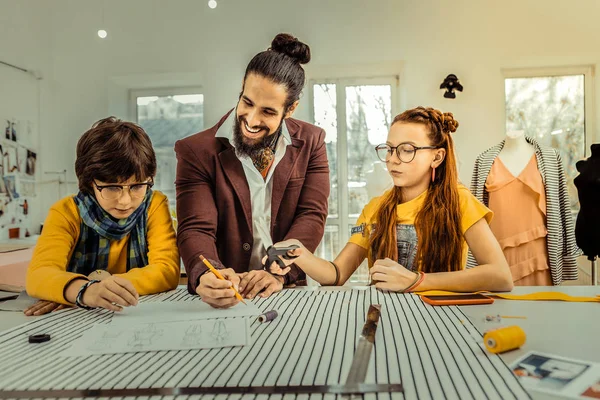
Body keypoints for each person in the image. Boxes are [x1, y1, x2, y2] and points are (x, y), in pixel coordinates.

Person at [268, 107, 514, 293]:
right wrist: (299, 252)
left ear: (437, 157)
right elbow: (337, 273)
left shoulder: (459, 202)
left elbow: (501, 277)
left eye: (407, 150)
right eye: (389, 149)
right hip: (384, 319)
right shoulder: (375, 209)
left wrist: (416, 281)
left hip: (443, 320)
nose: (393, 159)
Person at [175, 33, 329, 308]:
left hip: (288, 290)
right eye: (247, 102)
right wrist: (207, 274)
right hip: (227, 294)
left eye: (268, 112)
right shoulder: (195, 151)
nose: (251, 120)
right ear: (241, 90)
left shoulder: (312, 142)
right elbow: (196, 228)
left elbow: (311, 215)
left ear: (290, 109)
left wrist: (279, 273)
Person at [25, 117, 180, 316]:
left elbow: (166, 271)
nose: (125, 201)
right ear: (90, 182)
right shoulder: (66, 212)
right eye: (112, 187)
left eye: (137, 186)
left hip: (134, 314)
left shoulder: (154, 205)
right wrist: (86, 291)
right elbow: (38, 275)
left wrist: (87, 289)